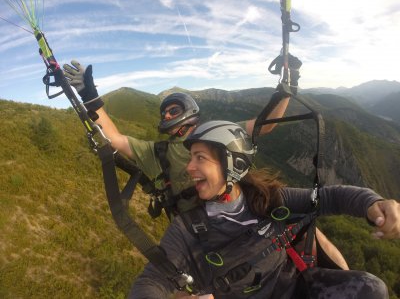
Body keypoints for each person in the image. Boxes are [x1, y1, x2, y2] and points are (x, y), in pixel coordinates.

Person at [63, 60, 348, 269]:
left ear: (188, 111)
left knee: (310, 232)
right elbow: (113, 137)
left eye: (173, 109)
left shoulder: (218, 133)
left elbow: (265, 125)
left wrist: (287, 89)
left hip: (245, 207)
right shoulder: (157, 152)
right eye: (164, 112)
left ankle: (344, 276)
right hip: (203, 230)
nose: (167, 115)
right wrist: (90, 94)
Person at [130, 120, 400, 299]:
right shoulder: (187, 228)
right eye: (191, 159)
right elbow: (151, 281)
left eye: (200, 158)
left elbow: (331, 197)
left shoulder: (267, 198)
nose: (189, 168)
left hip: (296, 288)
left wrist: (372, 203)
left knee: (372, 288)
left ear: (232, 165)